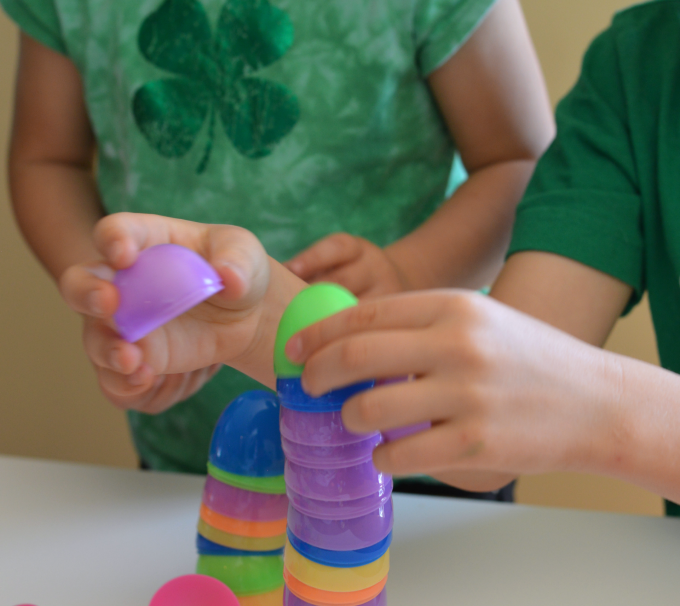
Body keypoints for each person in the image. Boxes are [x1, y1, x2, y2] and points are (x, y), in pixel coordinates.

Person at [57, 1, 680, 515]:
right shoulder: (639, 67)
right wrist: (258, 322)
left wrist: (612, 412)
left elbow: (542, 403)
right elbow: (482, 432)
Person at [3, 0, 554, 486]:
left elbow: (523, 164)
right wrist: (113, 296)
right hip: (195, 447)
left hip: (413, 446)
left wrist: (407, 271)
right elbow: (47, 160)